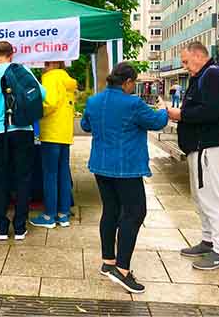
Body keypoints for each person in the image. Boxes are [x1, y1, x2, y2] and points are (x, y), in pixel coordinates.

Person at [81, 62, 168, 294]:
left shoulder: (94, 101)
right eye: (133, 83)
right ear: (128, 82)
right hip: (126, 167)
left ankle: (108, 262)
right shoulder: (133, 103)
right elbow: (157, 122)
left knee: (110, 210)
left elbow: (85, 124)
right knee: (135, 212)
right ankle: (123, 270)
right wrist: (164, 109)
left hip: (100, 165)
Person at [167, 41, 219, 270]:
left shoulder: (214, 76)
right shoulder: (205, 76)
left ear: (198, 55)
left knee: (212, 199)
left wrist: (181, 114)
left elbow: (212, 111)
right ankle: (208, 241)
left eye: (186, 61)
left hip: (209, 146)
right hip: (200, 146)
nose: (185, 66)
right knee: (201, 196)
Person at [0, 41, 46, 241]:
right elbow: (42, 94)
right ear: (12, 54)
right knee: (23, 178)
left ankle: (2, 227)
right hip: (23, 130)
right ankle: (20, 227)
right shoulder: (23, 71)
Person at [30, 61, 77, 228]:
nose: (42, 64)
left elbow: (49, 103)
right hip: (65, 133)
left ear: (53, 62)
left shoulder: (50, 77)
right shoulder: (67, 79)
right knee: (63, 173)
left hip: (51, 132)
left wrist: (33, 111)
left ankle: (49, 215)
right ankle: (63, 214)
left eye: (45, 61)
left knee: (50, 174)